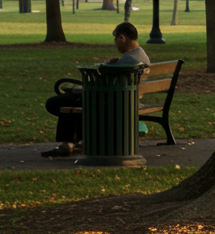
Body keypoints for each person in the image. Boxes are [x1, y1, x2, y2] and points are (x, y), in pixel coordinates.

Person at [41, 22, 151, 158]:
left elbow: (106, 87)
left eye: (115, 39)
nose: (115, 43)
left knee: (56, 103)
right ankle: (73, 143)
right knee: (71, 101)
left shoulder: (129, 60)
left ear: (122, 38)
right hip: (124, 99)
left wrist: (82, 90)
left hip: (111, 101)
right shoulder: (140, 56)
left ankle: (67, 144)